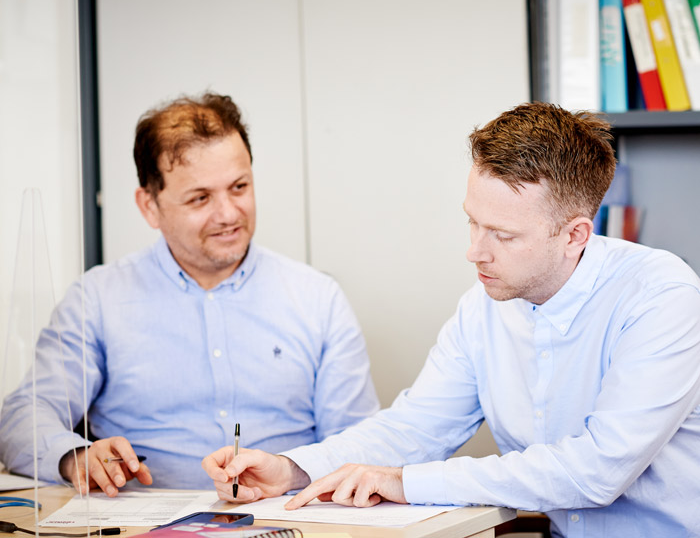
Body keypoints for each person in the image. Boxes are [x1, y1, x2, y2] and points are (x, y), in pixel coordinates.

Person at [202, 102, 700, 537]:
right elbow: (415, 426)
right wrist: (292, 469)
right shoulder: (483, 307)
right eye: (472, 221)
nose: (473, 251)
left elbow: (597, 470)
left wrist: (406, 481)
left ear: (574, 235)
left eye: (502, 235)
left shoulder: (661, 297)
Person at [0, 92, 379, 495]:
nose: (229, 214)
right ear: (149, 206)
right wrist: (75, 458)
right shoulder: (98, 299)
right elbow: (22, 418)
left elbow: (361, 441)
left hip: (290, 521)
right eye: (200, 198)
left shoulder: (317, 298)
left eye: (239, 187)